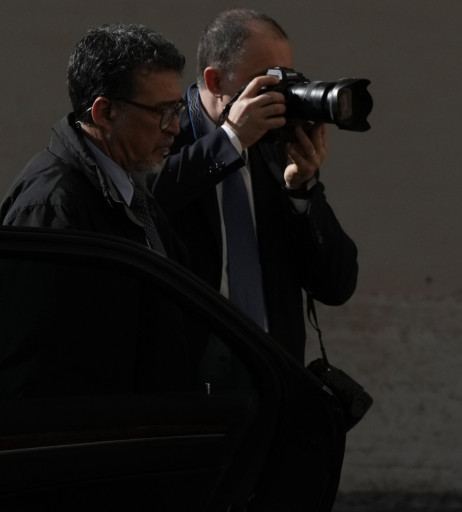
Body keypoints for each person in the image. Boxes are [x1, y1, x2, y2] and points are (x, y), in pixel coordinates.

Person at [152, 9, 358, 362]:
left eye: (287, 79)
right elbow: (147, 198)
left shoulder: (275, 149)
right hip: (189, 372)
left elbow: (336, 285)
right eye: (267, 82)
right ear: (215, 81)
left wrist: (302, 190)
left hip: (272, 371)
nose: (281, 95)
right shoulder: (164, 136)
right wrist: (231, 140)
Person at [1, 24, 186, 261]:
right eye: (162, 112)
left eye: (176, 109)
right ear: (104, 113)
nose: (174, 127)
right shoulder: (52, 208)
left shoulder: (130, 192)